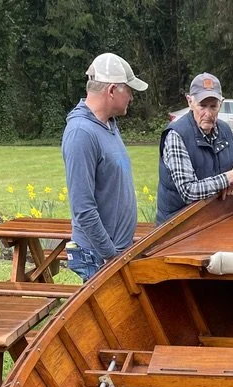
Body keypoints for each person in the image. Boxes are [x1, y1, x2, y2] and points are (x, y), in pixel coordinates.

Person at [61, 53, 148, 282]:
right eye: (128, 90)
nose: (131, 97)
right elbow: (83, 208)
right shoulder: (81, 133)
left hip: (116, 252)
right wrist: (110, 256)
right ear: (111, 91)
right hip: (99, 258)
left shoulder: (109, 125)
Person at [157, 73, 233, 224]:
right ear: (190, 102)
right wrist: (229, 178)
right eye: (202, 106)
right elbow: (188, 191)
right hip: (178, 227)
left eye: (213, 106)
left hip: (216, 220)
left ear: (220, 104)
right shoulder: (176, 135)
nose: (208, 114)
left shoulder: (225, 131)